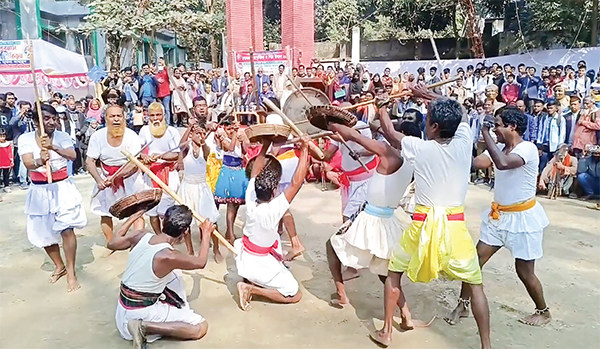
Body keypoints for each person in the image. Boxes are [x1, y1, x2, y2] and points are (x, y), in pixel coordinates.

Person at [371, 88, 491, 349]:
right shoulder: (463, 141)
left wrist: (381, 106)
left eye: (427, 121)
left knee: (393, 274)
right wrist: (430, 96)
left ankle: (387, 332)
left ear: (434, 127)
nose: (425, 124)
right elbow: (461, 113)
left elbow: (390, 134)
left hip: (422, 226)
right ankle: (486, 346)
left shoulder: (419, 148)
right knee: (475, 284)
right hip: (455, 227)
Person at [446, 106, 551, 328]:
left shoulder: (528, 148)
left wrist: (485, 133)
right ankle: (463, 304)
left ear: (512, 126)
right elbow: (479, 163)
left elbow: (503, 164)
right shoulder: (500, 147)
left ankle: (543, 311)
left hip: (523, 219)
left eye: (499, 125)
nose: (496, 129)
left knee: (524, 272)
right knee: (475, 261)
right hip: (498, 217)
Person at [326, 118, 415, 308]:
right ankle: (405, 313)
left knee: (331, 246)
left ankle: (341, 294)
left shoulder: (387, 152)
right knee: (386, 273)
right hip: (390, 219)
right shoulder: (413, 159)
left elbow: (353, 135)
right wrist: (381, 126)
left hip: (371, 217)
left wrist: (332, 126)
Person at [108, 205, 213, 348]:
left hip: (123, 311)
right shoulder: (169, 256)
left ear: (163, 221)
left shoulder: (141, 235)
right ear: (185, 231)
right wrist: (206, 234)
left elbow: (112, 243)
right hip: (137, 314)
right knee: (200, 327)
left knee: (173, 273)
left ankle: (145, 321)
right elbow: (201, 263)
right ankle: (144, 326)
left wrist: (134, 216)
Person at [235, 135, 310, 311]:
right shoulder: (273, 209)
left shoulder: (251, 195)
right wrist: (305, 149)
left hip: (247, 253)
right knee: (294, 294)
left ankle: (252, 279)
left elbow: (255, 171)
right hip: (258, 260)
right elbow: (296, 183)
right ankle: (251, 288)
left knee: (273, 246)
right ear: (275, 190)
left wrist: (266, 144)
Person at [19, 103, 87, 292]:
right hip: (39, 190)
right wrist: (41, 160)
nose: (51, 122)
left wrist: (53, 147)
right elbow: (28, 163)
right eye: (46, 118)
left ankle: (72, 273)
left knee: (67, 230)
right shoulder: (25, 139)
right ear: (36, 120)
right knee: (44, 234)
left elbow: (73, 156)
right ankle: (59, 266)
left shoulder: (62, 136)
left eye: (53, 118)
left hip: (62, 188)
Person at [87, 105, 147, 243]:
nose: (116, 119)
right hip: (105, 176)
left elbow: (134, 163)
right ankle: (111, 243)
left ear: (124, 117)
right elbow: (90, 161)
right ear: (105, 118)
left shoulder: (131, 136)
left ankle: (137, 242)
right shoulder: (97, 136)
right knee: (104, 213)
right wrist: (98, 180)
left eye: (119, 116)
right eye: (112, 116)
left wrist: (117, 176)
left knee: (137, 212)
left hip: (129, 176)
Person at [177, 120, 221, 259]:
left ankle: (216, 250)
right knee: (185, 222)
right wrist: (190, 128)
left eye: (203, 133)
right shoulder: (186, 148)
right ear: (192, 134)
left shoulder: (206, 148)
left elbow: (207, 153)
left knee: (211, 219)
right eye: (197, 133)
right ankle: (190, 250)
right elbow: (180, 146)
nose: (200, 135)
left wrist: (203, 141)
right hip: (187, 186)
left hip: (202, 187)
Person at [322, 114, 377, 221]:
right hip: (348, 183)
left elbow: (349, 136)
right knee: (352, 217)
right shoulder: (336, 133)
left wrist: (360, 153)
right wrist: (308, 145)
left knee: (348, 217)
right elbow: (325, 156)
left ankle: (348, 237)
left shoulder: (360, 126)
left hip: (366, 181)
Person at [139, 102, 181, 235]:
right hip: (150, 173)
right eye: (152, 115)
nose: (156, 118)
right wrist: (144, 157)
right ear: (148, 116)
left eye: (158, 115)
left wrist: (161, 156)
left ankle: (169, 235)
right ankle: (159, 236)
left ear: (164, 115)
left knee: (168, 209)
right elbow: (138, 151)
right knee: (152, 210)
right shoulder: (144, 130)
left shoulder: (172, 131)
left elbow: (177, 154)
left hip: (169, 173)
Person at [213, 118, 249, 243]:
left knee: (235, 204)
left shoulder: (237, 137)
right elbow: (231, 148)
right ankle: (230, 232)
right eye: (228, 129)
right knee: (230, 204)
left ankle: (229, 231)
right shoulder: (223, 139)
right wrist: (234, 134)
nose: (230, 131)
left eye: (232, 128)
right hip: (228, 173)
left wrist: (243, 137)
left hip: (239, 171)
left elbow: (245, 150)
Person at [537, 99, 566, 172]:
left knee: (552, 164)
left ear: (556, 108)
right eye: (548, 108)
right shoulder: (544, 118)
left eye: (551, 108)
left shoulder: (560, 119)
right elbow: (540, 131)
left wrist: (560, 147)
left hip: (554, 145)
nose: (549, 110)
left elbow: (562, 133)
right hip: (545, 144)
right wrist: (539, 145)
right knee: (542, 163)